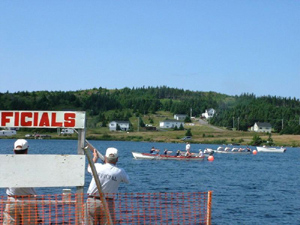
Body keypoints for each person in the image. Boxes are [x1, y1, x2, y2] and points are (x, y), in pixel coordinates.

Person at [84, 147, 129, 224]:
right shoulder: (120, 171)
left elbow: (89, 167)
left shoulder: (98, 167)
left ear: (105, 157)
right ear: (117, 159)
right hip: (108, 203)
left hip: (92, 201)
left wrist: (95, 157)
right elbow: (127, 180)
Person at [3, 139, 40, 225]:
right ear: (27, 150)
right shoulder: (33, 164)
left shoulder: (6, 163)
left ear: (14, 151)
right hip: (28, 200)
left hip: (11, 199)